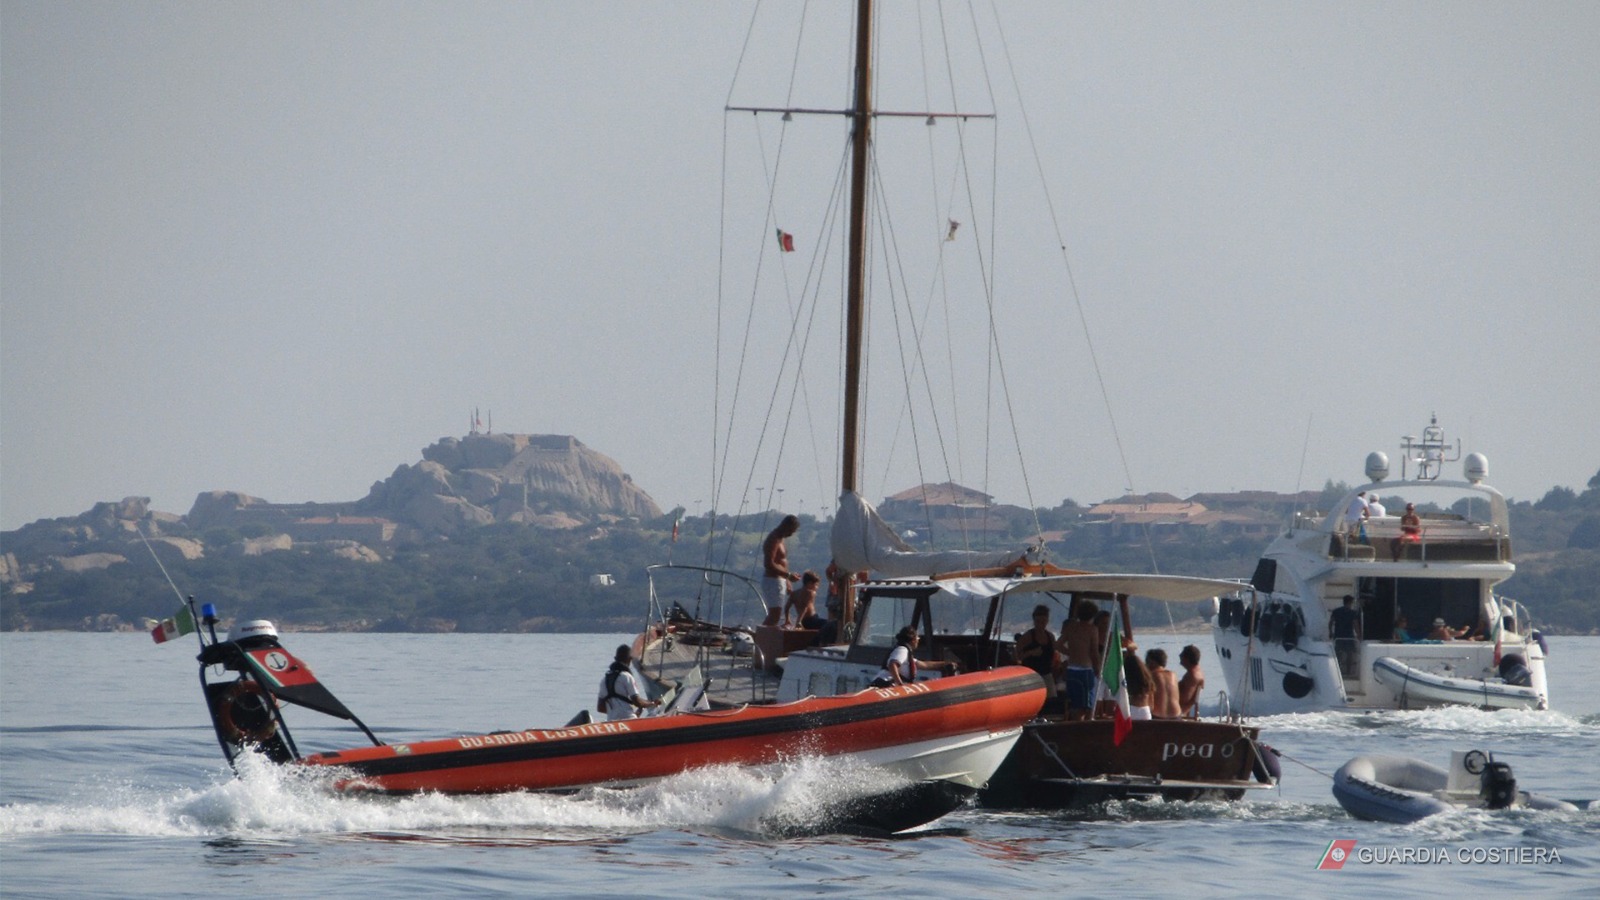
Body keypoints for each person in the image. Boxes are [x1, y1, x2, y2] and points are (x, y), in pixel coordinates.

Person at [1057, 602, 1101, 721]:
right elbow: (1094, 652)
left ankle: (1076, 726)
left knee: (1076, 704)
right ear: (1093, 615)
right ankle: (1084, 728)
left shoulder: (1071, 628)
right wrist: (1098, 669)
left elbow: (1058, 644)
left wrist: (1070, 653)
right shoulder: (1092, 629)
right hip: (1085, 671)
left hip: (1071, 670)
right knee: (1087, 706)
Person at [870, 626, 954, 687]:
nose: (918, 639)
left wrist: (945, 663)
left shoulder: (905, 654)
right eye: (917, 637)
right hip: (885, 683)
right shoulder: (902, 650)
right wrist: (900, 684)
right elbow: (892, 665)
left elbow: (924, 664)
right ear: (913, 639)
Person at [596, 644, 660, 721]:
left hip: (612, 721)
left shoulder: (604, 679)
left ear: (615, 658)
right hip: (629, 719)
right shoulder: (627, 677)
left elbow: (600, 708)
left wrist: (615, 712)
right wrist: (652, 703)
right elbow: (637, 702)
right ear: (629, 659)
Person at [760, 515, 801, 626]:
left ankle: (763, 639)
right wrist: (788, 575)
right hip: (772, 581)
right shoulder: (773, 539)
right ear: (786, 526)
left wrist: (787, 581)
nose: (791, 534)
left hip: (778, 580)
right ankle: (760, 639)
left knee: (776, 615)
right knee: (774, 616)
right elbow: (769, 563)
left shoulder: (780, 539)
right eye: (792, 531)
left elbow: (780, 562)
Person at [1015, 604, 1058, 684]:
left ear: (1047, 621)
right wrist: (1031, 652)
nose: (1041, 624)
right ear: (1034, 621)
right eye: (1038, 621)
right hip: (1030, 674)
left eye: (1043, 621)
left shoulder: (1050, 637)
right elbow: (1017, 657)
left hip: (1046, 674)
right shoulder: (1027, 636)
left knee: (1052, 696)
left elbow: (1053, 655)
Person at [1329, 594, 1362, 678]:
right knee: (1349, 654)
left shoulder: (1336, 611)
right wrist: (1359, 635)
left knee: (1338, 654)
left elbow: (1331, 622)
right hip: (1349, 636)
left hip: (1338, 635)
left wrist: (1330, 632)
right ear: (1350, 602)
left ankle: (1338, 670)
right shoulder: (1352, 613)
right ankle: (1348, 672)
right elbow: (1355, 625)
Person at [1122, 641, 1153, 720]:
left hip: (1130, 710)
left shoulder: (1126, 679)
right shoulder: (1147, 680)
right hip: (1145, 710)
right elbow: (1152, 705)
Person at [1146, 648, 1181, 718]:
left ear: (1152, 662)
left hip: (1157, 717)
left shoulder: (1150, 676)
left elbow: (1148, 701)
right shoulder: (1173, 675)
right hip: (1176, 716)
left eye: (1147, 661)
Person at [1177, 645, 1205, 718]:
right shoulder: (1198, 672)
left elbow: (1184, 699)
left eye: (1182, 654)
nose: (1179, 655)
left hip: (1178, 713)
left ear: (1187, 658)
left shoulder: (1192, 675)